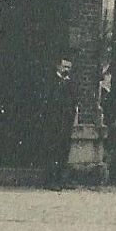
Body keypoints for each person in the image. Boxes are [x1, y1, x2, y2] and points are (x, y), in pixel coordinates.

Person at [43, 57, 79, 191]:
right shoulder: (52, 83)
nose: (66, 70)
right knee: (53, 151)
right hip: (54, 123)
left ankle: (62, 179)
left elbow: (74, 101)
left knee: (64, 151)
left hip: (66, 123)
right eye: (64, 67)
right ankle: (51, 180)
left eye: (69, 68)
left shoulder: (71, 83)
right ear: (58, 67)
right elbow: (49, 101)